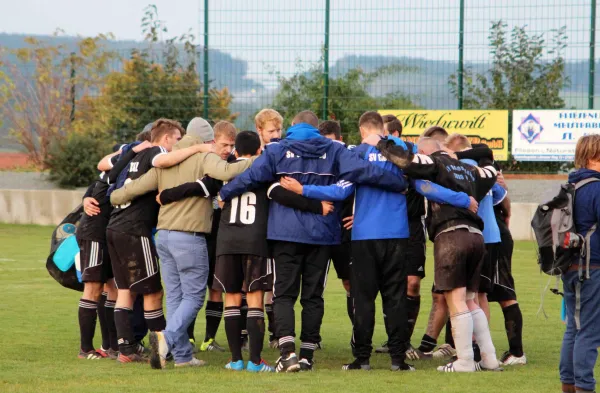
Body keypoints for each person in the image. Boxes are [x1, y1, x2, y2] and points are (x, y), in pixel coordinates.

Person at [219, 110, 409, 372]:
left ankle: (287, 353)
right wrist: (398, 182)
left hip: (285, 234)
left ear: (293, 126)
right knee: (313, 296)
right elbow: (366, 171)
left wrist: (224, 193)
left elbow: (251, 177)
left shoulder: (277, 150)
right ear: (317, 128)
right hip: (322, 234)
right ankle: (307, 354)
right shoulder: (333, 149)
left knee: (284, 294)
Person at [110, 120, 255, 369]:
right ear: (207, 140)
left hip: (163, 237)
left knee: (176, 296)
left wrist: (114, 196)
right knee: (195, 296)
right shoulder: (204, 156)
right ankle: (165, 338)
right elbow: (228, 173)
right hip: (189, 237)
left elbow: (122, 193)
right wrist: (259, 159)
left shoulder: (168, 159)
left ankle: (183, 356)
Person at [371, 136, 501, 372]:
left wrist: (382, 145)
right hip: (477, 237)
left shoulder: (433, 164)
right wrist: (472, 157)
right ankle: (489, 358)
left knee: (456, 299)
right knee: (471, 299)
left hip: (452, 236)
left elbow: (405, 160)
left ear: (426, 152)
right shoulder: (471, 170)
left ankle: (464, 361)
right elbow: (492, 166)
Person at [105, 119, 209, 363]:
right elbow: (164, 162)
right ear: (165, 139)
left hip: (115, 226)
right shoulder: (158, 152)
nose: (178, 146)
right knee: (154, 292)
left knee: (125, 292)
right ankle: (162, 345)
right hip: (134, 229)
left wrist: (129, 151)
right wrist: (197, 148)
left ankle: (126, 350)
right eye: (176, 140)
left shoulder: (133, 155)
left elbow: (109, 174)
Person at [75, 139, 152, 360]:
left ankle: (111, 345)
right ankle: (86, 349)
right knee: (93, 288)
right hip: (94, 234)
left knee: (114, 290)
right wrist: (130, 151)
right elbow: (104, 174)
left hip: (110, 234)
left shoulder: (125, 174)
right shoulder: (115, 170)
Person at [560, 134, 600, 393]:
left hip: (571, 266)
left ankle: (569, 385)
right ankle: (584, 386)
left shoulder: (570, 185)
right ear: (592, 157)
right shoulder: (596, 187)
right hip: (593, 267)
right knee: (589, 331)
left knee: (574, 330)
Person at [200, 121, 237, 353]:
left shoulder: (234, 165)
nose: (227, 149)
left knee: (216, 288)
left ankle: (208, 339)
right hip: (199, 232)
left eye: (231, 145)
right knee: (193, 289)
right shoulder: (204, 162)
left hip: (221, 236)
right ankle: (189, 338)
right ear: (213, 142)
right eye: (224, 144)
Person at [490, 168, 526, 366]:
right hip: (483, 238)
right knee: (469, 293)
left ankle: (517, 352)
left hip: (496, 239)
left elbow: (505, 204)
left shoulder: (484, 172)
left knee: (505, 293)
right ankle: (462, 348)